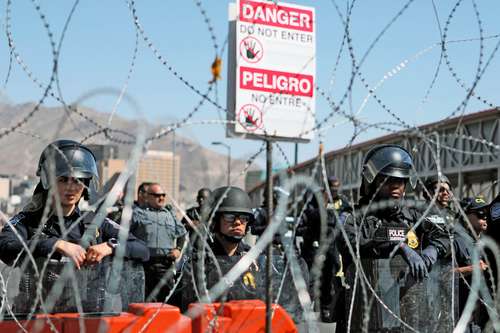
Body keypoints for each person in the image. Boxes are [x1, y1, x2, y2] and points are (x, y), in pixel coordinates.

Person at [342, 144, 451, 332]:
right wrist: (398, 246)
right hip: (367, 311)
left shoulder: (413, 215)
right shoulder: (355, 216)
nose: (395, 187)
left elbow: (447, 236)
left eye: (400, 181)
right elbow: (350, 243)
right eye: (388, 180)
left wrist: (432, 250)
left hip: (408, 311)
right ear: (372, 182)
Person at [0, 139, 149, 268]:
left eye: (78, 180)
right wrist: (55, 244)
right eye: (63, 180)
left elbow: (142, 249)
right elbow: (5, 246)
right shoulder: (27, 221)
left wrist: (110, 246)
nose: (71, 187)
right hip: (37, 300)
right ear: (48, 182)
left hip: (85, 301)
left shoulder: (94, 222)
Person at [131, 182, 187, 302]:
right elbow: (124, 234)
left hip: (165, 264)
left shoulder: (170, 215)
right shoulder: (137, 213)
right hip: (143, 265)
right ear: (148, 196)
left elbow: (182, 233)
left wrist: (178, 249)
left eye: (163, 195)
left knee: (167, 301)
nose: (161, 198)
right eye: (157, 195)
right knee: (142, 301)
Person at [454, 196, 490, 332]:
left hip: (481, 319)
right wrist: (471, 268)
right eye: (480, 213)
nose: (485, 217)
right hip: (462, 319)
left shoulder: (487, 242)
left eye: (486, 213)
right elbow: (443, 274)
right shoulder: (456, 241)